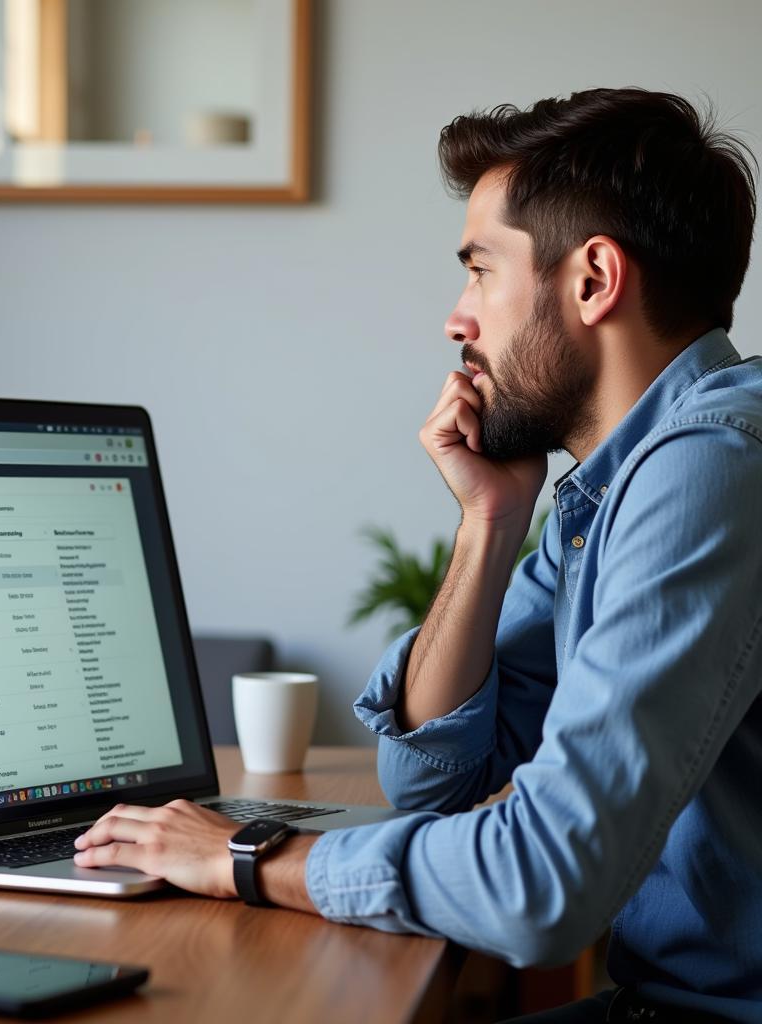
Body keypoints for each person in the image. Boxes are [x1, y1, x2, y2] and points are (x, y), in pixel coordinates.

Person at [73, 88, 762, 1022]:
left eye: (481, 270)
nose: (457, 318)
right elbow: (435, 781)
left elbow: (542, 882)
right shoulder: (612, 485)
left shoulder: (711, 471)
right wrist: (489, 523)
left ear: (594, 280)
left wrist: (245, 857)